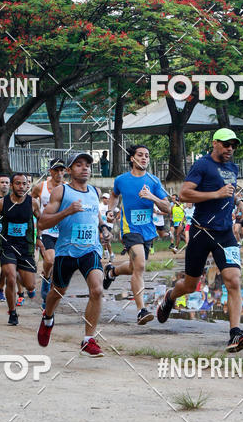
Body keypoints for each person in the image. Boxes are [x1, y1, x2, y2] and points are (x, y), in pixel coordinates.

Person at [156, 128, 243, 353]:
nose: (230, 148)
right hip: (201, 232)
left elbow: (228, 189)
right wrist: (216, 194)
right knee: (190, 285)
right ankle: (170, 297)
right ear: (215, 143)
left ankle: (235, 334)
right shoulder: (202, 165)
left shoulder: (233, 167)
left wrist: (237, 199)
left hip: (225, 234)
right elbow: (184, 194)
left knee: (233, 280)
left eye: (234, 145)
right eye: (226, 144)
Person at [37, 152, 111, 356]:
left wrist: (104, 228)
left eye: (87, 165)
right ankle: (48, 317)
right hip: (66, 251)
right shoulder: (61, 191)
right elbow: (43, 223)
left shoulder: (95, 192)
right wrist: (67, 212)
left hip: (90, 249)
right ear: (69, 170)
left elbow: (95, 216)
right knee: (57, 292)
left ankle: (88, 339)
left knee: (97, 290)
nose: (84, 168)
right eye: (78, 165)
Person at [102, 144, 171, 325]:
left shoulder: (154, 181)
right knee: (140, 265)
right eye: (140, 155)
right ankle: (141, 310)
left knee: (134, 267)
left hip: (147, 231)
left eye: (147, 156)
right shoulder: (121, 180)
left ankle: (112, 271)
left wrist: (152, 197)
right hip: (129, 229)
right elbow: (114, 195)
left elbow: (168, 207)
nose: (144, 158)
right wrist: (111, 209)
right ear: (132, 158)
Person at [0, 173, 39, 325]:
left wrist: (40, 239)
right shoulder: (2, 203)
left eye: (24, 184)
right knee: (10, 275)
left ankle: (23, 282)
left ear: (27, 185)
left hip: (26, 247)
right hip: (7, 245)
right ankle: (13, 312)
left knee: (30, 285)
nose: (21, 186)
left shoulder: (32, 203)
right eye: (17, 183)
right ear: (11, 186)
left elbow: (41, 220)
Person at [32, 158, 67, 307]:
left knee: (60, 265)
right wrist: (36, 213)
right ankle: (46, 278)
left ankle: (49, 297)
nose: (59, 173)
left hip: (63, 231)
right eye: (56, 170)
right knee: (50, 260)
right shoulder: (41, 187)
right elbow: (31, 200)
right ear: (50, 171)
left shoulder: (67, 188)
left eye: (62, 170)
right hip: (47, 229)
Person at [99, 192, 115, 260]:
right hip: (101, 224)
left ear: (109, 199)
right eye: (103, 198)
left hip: (108, 224)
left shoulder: (110, 206)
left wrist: (115, 218)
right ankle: (106, 252)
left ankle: (111, 254)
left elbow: (118, 211)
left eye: (106, 198)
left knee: (105, 238)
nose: (104, 199)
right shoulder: (99, 205)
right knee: (102, 238)